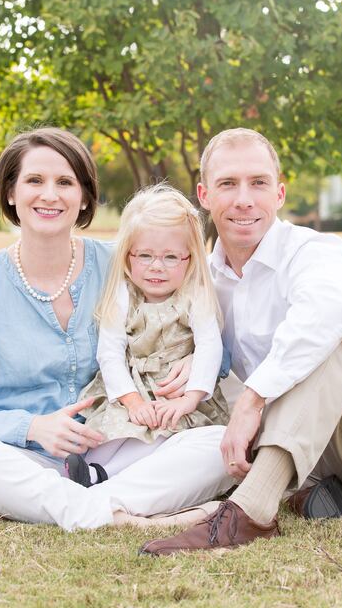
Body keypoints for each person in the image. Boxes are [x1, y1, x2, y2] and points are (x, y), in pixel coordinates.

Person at [140, 128, 342, 555]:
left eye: (259, 183)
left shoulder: (315, 252)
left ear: (279, 193)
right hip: (313, 447)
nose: (244, 198)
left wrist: (254, 397)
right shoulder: (204, 283)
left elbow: (327, 318)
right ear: (205, 195)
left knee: (332, 337)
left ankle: (249, 514)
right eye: (228, 184)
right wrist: (199, 360)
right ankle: (308, 489)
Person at [0, 127, 233, 531]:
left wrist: (194, 357)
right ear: (10, 193)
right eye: (34, 180)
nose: (49, 195)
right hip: (22, 458)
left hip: (119, 450)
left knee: (219, 445)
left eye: (65, 182)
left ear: (85, 196)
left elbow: (204, 330)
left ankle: (52, 510)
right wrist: (33, 427)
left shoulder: (126, 264)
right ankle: (114, 513)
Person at [64, 184, 230, 486]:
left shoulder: (195, 296)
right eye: (145, 256)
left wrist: (189, 400)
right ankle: (86, 470)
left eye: (170, 257)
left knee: (163, 434)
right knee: (114, 429)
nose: (157, 267)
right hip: (132, 389)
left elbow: (209, 347)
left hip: (175, 394)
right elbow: (110, 352)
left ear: (189, 260)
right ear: (128, 257)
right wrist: (133, 402)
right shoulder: (124, 294)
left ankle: (105, 477)